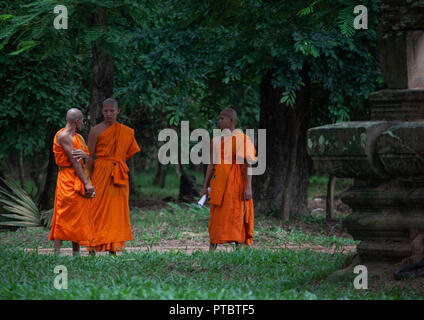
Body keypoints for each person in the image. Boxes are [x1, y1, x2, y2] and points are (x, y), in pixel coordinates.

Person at [83, 98, 140, 255]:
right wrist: (87, 178)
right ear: (102, 111)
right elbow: (89, 156)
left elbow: (126, 153)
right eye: (106, 111)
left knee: (117, 211)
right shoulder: (96, 130)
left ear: (118, 111)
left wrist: (115, 162)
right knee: (96, 209)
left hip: (119, 173)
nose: (109, 113)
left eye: (112, 111)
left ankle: (114, 247)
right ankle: (93, 246)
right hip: (100, 172)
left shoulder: (126, 131)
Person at [201, 108, 256, 251]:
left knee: (236, 213)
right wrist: (204, 186)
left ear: (231, 120)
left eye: (222, 119)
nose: (219, 121)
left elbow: (248, 163)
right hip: (219, 182)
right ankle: (212, 247)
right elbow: (211, 165)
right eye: (219, 119)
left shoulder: (242, 139)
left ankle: (239, 247)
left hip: (236, 182)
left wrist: (248, 186)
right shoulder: (216, 141)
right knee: (217, 215)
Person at [48, 108, 96, 256]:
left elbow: (84, 157)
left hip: (80, 175)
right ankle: (56, 253)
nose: (83, 123)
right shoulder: (64, 136)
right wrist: (87, 184)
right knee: (64, 215)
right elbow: (74, 162)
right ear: (77, 121)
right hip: (68, 178)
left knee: (78, 215)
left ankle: (76, 253)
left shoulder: (78, 137)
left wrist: (85, 156)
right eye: (82, 121)